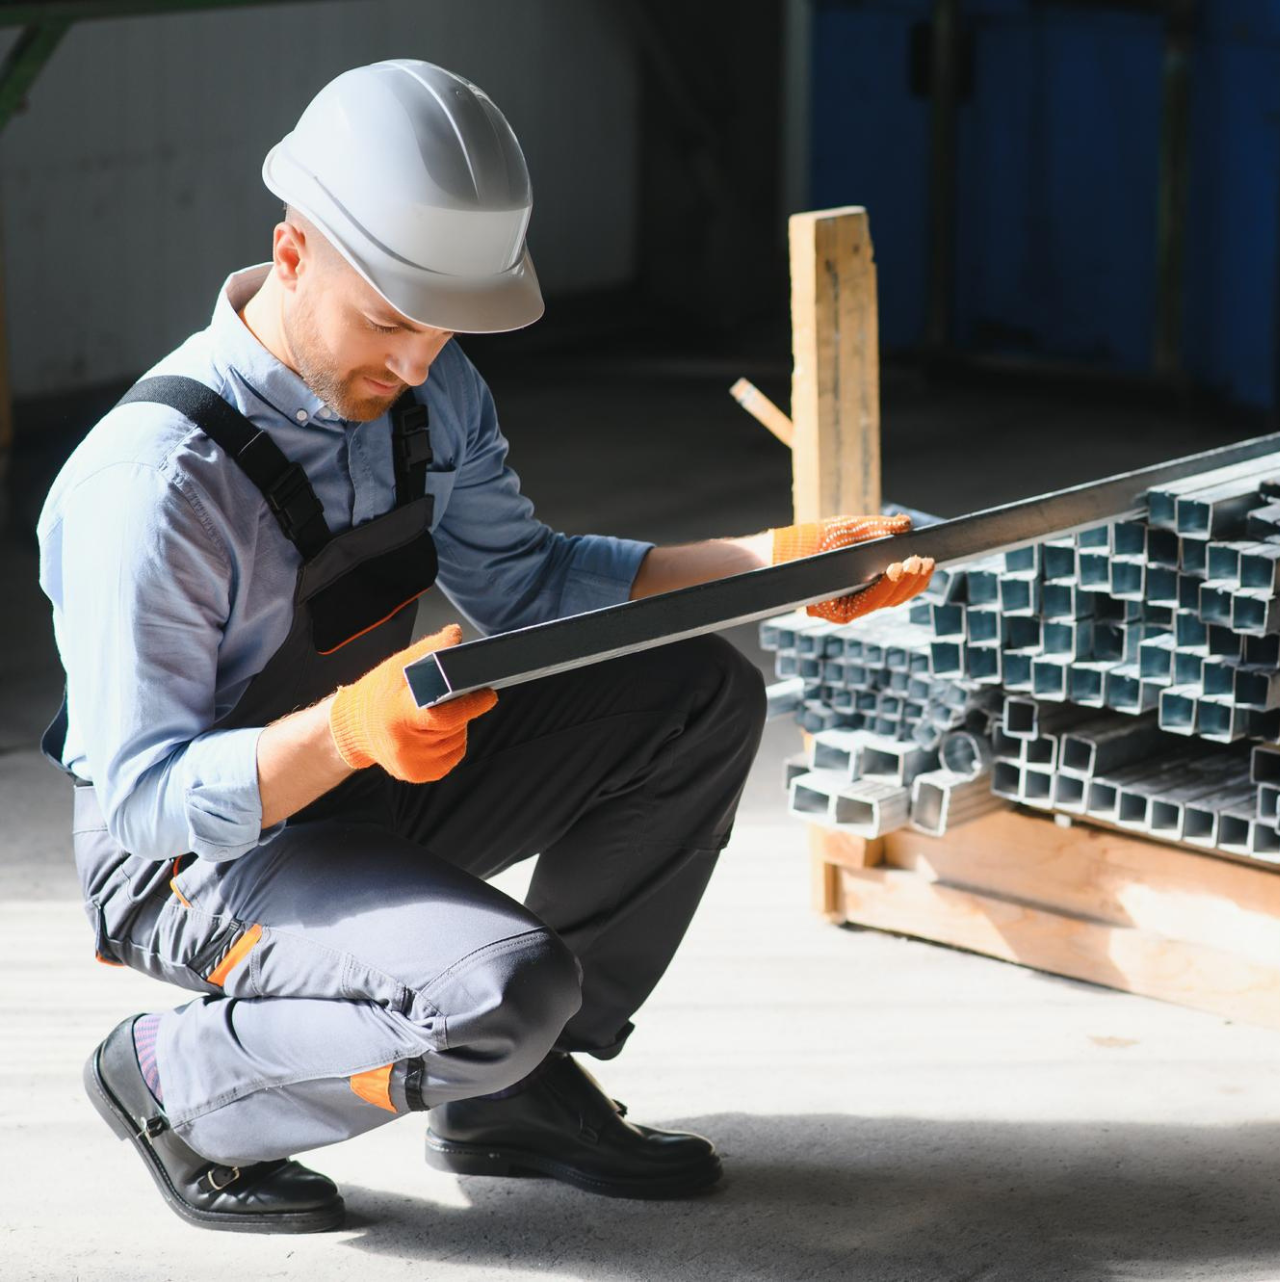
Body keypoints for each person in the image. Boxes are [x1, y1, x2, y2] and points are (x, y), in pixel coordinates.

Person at [36, 60, 932, 1234]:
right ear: (291, 254)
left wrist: (781, 565)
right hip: (193, 863)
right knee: (502, 991)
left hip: (358, 787)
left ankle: (510, 1092)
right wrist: (347, 727)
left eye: (443, 325)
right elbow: (146, 796)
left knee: (697, 693)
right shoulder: (153, 487)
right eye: (390, 320)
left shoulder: (428, 390)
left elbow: (531, 584)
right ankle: (177, 1082)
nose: (418, 363)